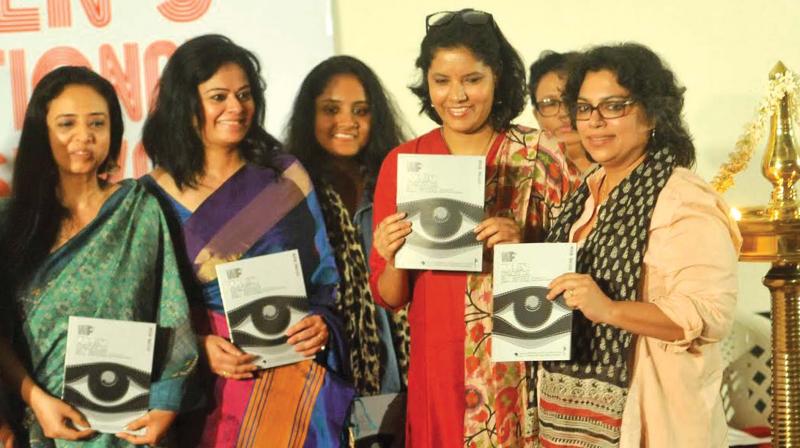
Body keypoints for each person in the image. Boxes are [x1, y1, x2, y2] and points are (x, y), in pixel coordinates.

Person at [369, 9, 574, 447]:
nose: (456, 95)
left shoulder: (540, 154)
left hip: (520, 363)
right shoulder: (405, 163)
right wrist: (391, 257)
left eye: (472, 79)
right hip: (437, 365)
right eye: (441, 80)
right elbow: (390, 296)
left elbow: (580, 265)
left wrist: (524, 244)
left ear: (496, 77)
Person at [141, 34, 353, 447]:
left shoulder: (285, 178)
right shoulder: (150, 198)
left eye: (244, 94)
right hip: (209, 396)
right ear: (185, 104)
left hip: (295, 384)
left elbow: (325, 278)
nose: (236, 108)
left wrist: (321, 324)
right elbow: (141, 311)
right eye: (218, 96)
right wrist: (196, 348)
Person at [536, 43, 741, 447]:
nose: (595, 122)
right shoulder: (587, 192)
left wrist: (610, 310)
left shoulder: (683, 198)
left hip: (653, 416)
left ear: (652, 114)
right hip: (569, 417)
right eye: (584, 108)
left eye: (613, 106)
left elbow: (711, 314)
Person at [0, 66, 198, 447]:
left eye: (97, 123)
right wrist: (36, 400)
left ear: (114, 132)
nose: (84, 137)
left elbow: (170, 316)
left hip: (130, 428)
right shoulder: (11, 223)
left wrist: (165, 408)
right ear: (42, 132)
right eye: (67, 124)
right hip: (42, 426)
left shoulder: (138, 209)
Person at [284, 55, 411, 398]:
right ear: (309, 115)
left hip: (409, 377)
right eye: (331, 109)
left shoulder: (400, 181)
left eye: (361, 110)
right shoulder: (288, 193)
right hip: (331, 376)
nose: (347, 121)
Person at [528, 50, 595, 178]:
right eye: (550, 103)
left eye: (572, 100)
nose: (564, 113)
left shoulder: (622, 170)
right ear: (536, 115)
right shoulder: (525, 176)